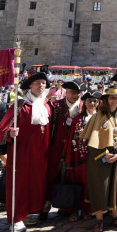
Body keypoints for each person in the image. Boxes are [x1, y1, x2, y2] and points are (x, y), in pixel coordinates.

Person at [0, 72, 53, 232]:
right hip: (22, 151)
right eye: (37, 83)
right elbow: (4, 127)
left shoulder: (48, 105)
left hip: (41, 152)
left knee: (35, 183)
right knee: (19, 184)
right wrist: (11, 132)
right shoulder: (20, 105)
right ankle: (15, 217)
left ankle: (27, 212)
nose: (40, 86)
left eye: (43, 83)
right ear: (30, 86)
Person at [81, 86, 117, 232]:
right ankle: (99, 220)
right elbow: (91, 140)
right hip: (100, 159)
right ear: (106, 99)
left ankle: (115, 218)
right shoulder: (98, 116)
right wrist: (104, 155)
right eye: (112, 97)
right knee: (101, 188)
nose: (115, 100)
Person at [45, 80, 83, 220]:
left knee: (72, 177)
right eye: (72, 92)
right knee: (52, 177)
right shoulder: (55, 107)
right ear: (66, 92)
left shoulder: (83, 107)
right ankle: (45, 207)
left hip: (75, 149)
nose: (75, 95)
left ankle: (69, 206)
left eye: (78, 93)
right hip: (56, 148)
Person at [63, 90, 100, 222]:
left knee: (92, 185)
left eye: (95, 101)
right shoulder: (78, 119)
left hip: (97, 157)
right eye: (89, 101)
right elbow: (70, 139)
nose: (92, 103)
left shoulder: (101, 118)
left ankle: (87, 210)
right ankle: (75, 209)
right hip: (80, 157)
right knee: (79, 183)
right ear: (84, 103)